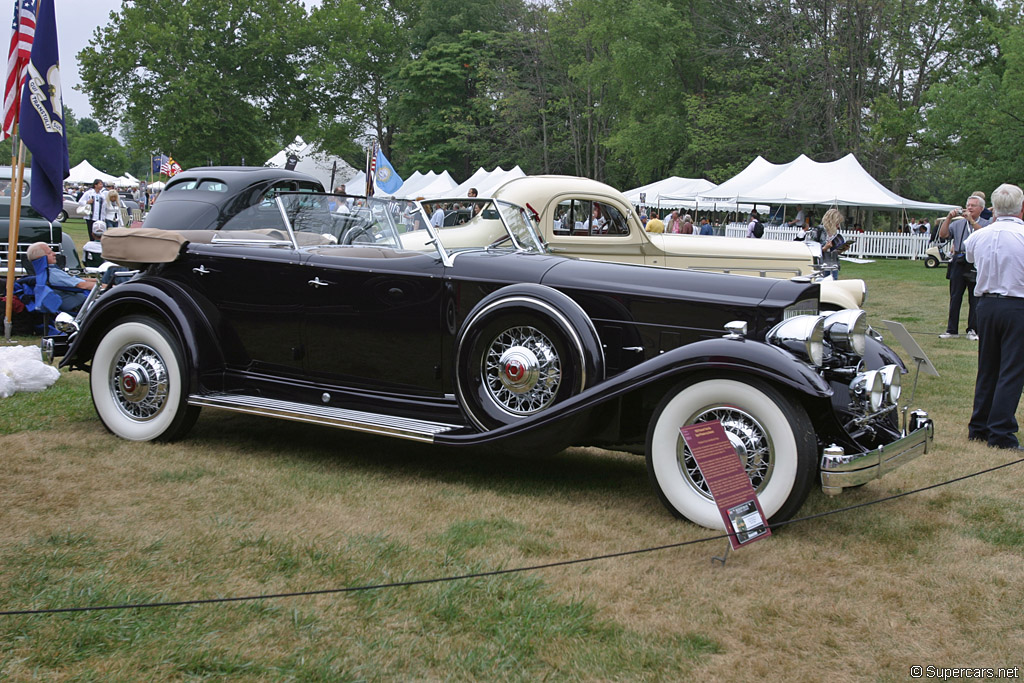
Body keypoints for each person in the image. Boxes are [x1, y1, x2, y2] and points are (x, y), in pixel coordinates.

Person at [963, 183, 1024, 449]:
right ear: (1021, 208)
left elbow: (970, 257)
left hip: (986, 304)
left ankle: (979, 425)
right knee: (1011, 369)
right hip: (1016, 304)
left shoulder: (980, 236)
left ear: (993, 208)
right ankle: (1000, 431)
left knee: (987, 366)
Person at [938, 194, 991, 339]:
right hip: (959, 260)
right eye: (968, 205)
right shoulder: (957, 224)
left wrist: (972, 221)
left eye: (973, 206)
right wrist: (949, 218)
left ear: (981, 208)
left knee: (974, 297)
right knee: (955, 296)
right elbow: (943, 235)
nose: (969, 208)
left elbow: (983, 235)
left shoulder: (986, 224)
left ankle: (973, 329)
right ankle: (951, 330)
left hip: (975, 262)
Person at [25, 242, 96, 313]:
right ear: (42, 258)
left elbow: (75, 280)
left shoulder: (43, 273)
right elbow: (82, 285)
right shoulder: (53, 274)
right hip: (81, 307)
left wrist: (97, 280)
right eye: (49, 253)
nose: (54, 253)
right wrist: (105, 286)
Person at [817, 208, 847, 279]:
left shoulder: (835, 234)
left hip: (834, 267)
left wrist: (842, 249)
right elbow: (811, 251)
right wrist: (825, 248)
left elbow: (833, 251)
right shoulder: (818, 232)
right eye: (837, 223)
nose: (838, 226)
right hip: (822, 267)